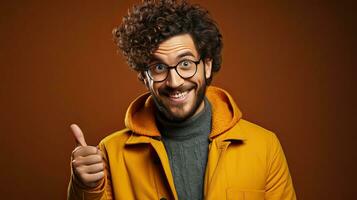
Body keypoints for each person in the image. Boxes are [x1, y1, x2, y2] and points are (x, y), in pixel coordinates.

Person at [67, 0, 296, 199]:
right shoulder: (109, 152)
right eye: (158, 67)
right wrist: (86, 188)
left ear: (206, 66)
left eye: (185, 64)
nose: (174, 81)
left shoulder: (264, 147)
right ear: (144, 76)